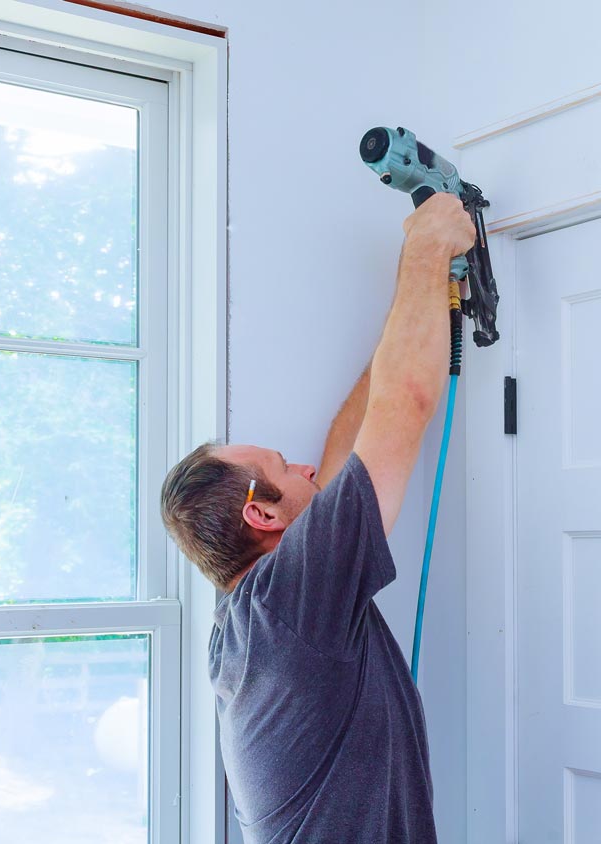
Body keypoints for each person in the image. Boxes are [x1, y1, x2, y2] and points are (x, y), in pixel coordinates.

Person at [159, 192, 479, 843]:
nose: (305, 468)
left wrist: (415, 294)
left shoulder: (258, 617)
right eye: (283, 467)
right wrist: (427, 244)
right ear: (260, 512)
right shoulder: (289, 607)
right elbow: (405, 401)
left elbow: (350, 447)